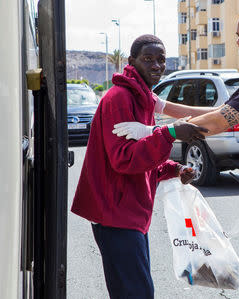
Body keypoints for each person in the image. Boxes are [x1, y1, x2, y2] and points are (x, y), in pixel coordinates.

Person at [114, 6, 239, 245]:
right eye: (238, 35)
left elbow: (219, 122)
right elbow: (218, 112)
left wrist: (156, 132)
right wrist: (162, 106)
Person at [71, 34, 208, 299]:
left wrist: (174, 169)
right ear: (132, 61)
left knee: (134, 290)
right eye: (148, 59)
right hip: (116, 215)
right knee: (136, 293)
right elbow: (124, 159)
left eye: (161, 60)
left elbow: (144, 158)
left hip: (129, 214)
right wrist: (168, 133)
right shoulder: (120, 98)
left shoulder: (142, 98)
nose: (157, 65)